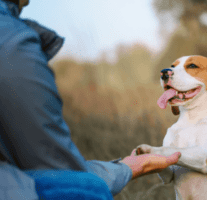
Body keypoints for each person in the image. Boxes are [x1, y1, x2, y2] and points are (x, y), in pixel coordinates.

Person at [0, 0, 181, 199]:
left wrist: (127, 168)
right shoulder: (11, 39)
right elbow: (66, 176)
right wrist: (127, 169)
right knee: (86, 190)